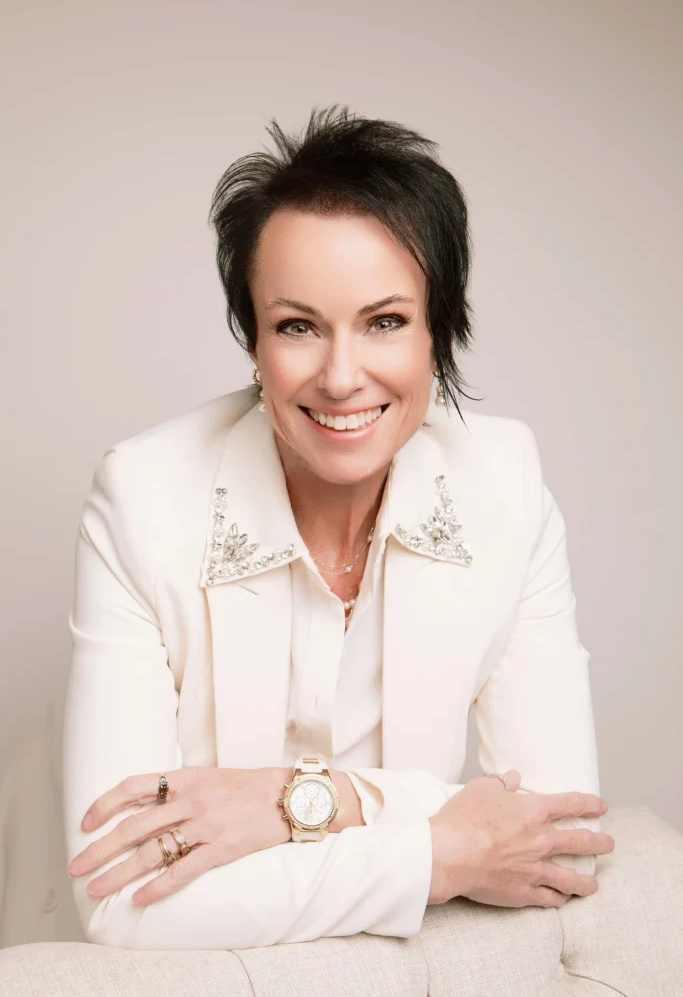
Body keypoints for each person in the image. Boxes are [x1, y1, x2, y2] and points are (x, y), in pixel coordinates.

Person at [62, 105, 614, 951]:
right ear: (253, 343)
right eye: (297, 327)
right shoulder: (143, 500)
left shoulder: (504, 487)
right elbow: (124, 899)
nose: (342, 377)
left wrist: (293, 800)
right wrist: (444, 849)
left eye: (385, 321)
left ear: (437, 332)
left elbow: (558, 840)